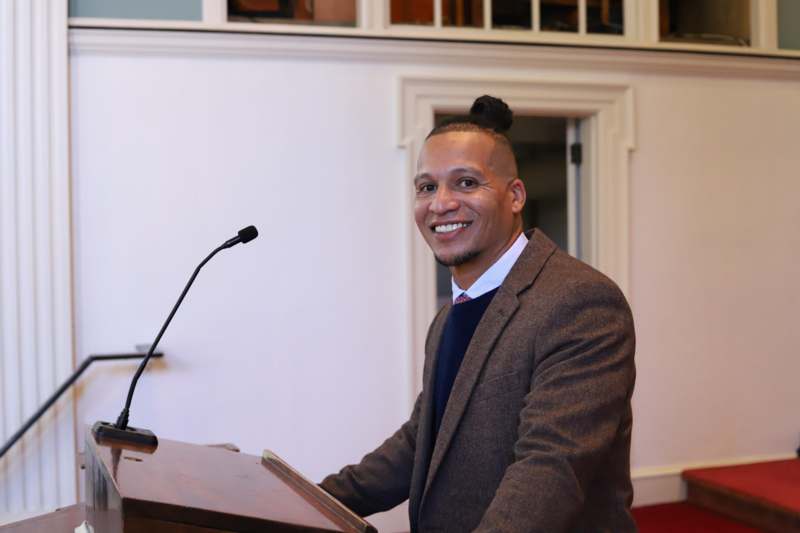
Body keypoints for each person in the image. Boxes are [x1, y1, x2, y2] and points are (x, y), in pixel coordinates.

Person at [321, 95, 636, 532]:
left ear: (515, 196)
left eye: (466, 183)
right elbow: (424, 440)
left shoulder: (580, 301)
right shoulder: (448, 317)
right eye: (427, 187)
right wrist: (313, 499)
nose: (441, 203)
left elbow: (550, 468)